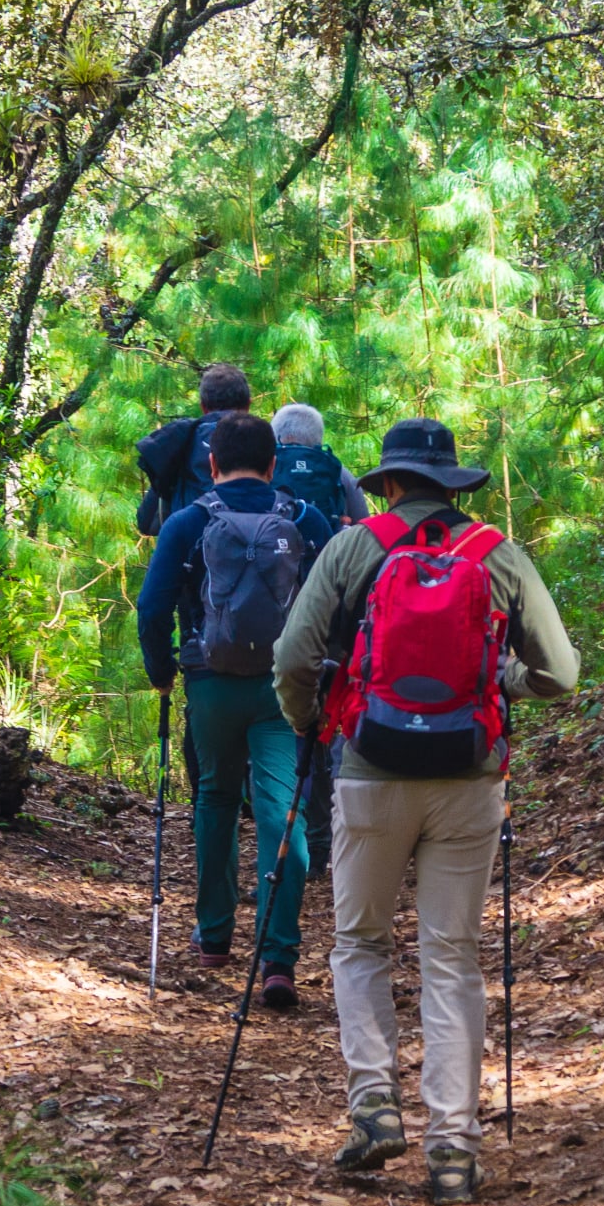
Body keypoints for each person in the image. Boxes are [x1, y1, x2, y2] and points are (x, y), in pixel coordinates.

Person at [273, 418, 578, 1205]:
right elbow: (562, 675)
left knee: (359, 944)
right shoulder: (496, 555)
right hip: (468, 778)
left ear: (391, 484)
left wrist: (310, 717)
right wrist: (497, 680)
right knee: (452, 959)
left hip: (369, 770)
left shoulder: (352, 548)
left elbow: (291, 657)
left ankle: (373, 1105)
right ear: (454, 485)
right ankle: (453, 1149)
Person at [137, 410, 338, 1009]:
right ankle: (278, 956)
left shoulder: (187, 522)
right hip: (285, 686)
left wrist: (162, 671)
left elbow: (153, 606)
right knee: (284, 808)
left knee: (217, 797)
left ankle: (216, 937)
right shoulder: (307, 518)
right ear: (275, 465)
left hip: (210, 682)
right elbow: (338, 600)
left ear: (212, 464)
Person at [267, 403, 365, 878]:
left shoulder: (265, 471)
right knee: (325, 724)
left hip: (273, 616)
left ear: (276, 436)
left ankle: (286, 833)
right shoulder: (338, 473)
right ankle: (322, 843)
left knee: (280, 729)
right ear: (318, 436)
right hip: (329, 619)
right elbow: (363, 533)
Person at [134, 364, 253, 537]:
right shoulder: (264, 439)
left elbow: (147, 522)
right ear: (248, 405)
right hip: (255, 554)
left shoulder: (181, 441)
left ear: (203, 407)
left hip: (192, 554)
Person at [269, 403, 371, 524]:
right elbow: (363, 523)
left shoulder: (265, 467)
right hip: (329, 542)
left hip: (274, 540)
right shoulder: (338, 471)